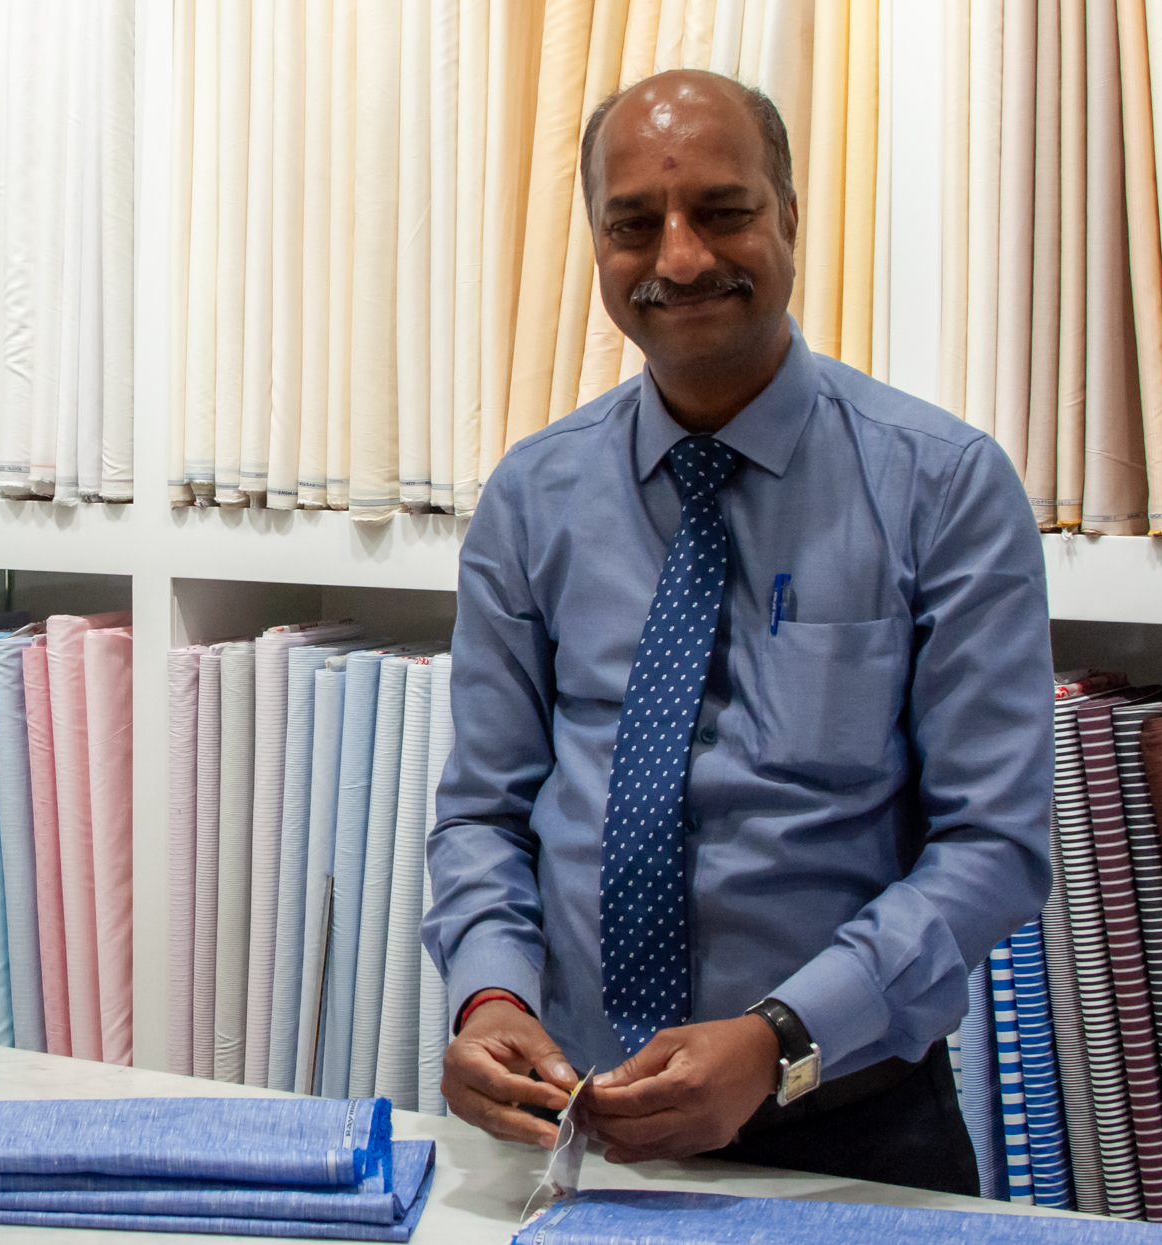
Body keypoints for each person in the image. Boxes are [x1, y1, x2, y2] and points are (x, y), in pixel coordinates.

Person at [421, 69, 1051, 1197]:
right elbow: (483, 811)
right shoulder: (531, 496)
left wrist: (780, 1037)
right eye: (633, 224)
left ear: (788, 218)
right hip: (575, 1125)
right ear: (596, 244)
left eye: (721, 210)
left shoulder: (943, 488)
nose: (678, 258)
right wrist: (490, 993)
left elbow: (992, 845)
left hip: (851, 1126)